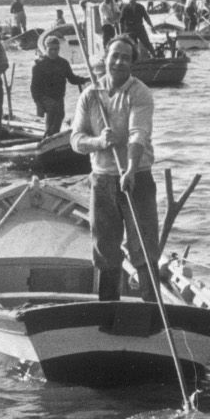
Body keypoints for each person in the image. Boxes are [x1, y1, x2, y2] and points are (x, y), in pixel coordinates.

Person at [71, 38, 160, 302]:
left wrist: (131, 169)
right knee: (105, 250)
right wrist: (99, 142)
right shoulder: (90, 94)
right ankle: (108, 310)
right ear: (106, 57)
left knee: (143, 248)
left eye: (126, 58)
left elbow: (138, 135)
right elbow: (76, 140)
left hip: (137, 178)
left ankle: (153, 311)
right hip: (102, 180)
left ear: (132, 63)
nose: (119, 62)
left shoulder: (139, 92)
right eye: (115, 56)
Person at [30, 34, 88, 135]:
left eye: (56, 49)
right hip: (45, 98)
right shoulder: (39, 65)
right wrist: (38, 103)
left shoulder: (63, 63)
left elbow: (72, 79)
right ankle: (48, 136)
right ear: (45, 48)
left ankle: (52, 137)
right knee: (53, 112)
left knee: (60, 116)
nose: (54, 52)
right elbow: (34, 87)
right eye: (51, 49)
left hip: (58, 97)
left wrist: (86, 79)